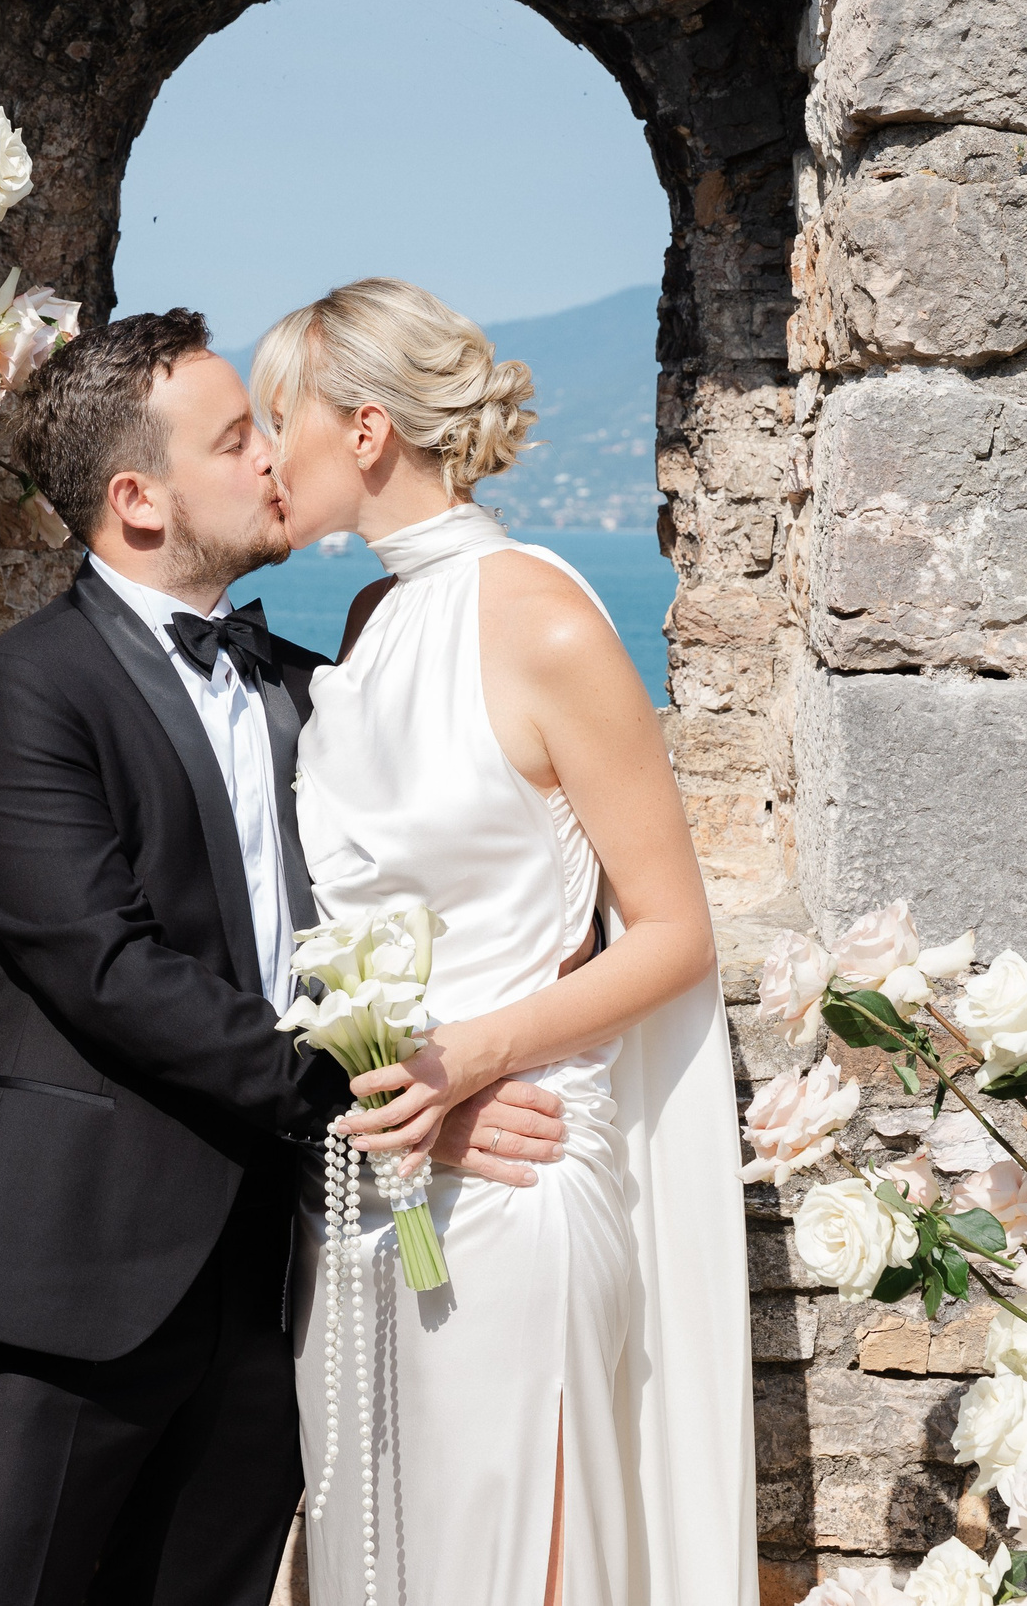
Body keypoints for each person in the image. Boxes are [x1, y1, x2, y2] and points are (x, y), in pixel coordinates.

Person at [0, 309, 565, 1606]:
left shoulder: (310, 687)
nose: (275, 457)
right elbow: (112, 973)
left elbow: (437, 862)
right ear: (139, 500)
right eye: (235, 439)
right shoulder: (19, 697)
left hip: (278, 1278)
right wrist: (387, 1101)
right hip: (78, 1271)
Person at [251, 278, 755, 1606]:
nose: (262, 453)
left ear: (365, 431)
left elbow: (673, 935)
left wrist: (463, 1060)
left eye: (276, 418)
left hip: (513, 1176)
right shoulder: (368, 630)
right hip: (370, 1194)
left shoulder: (539, 616)